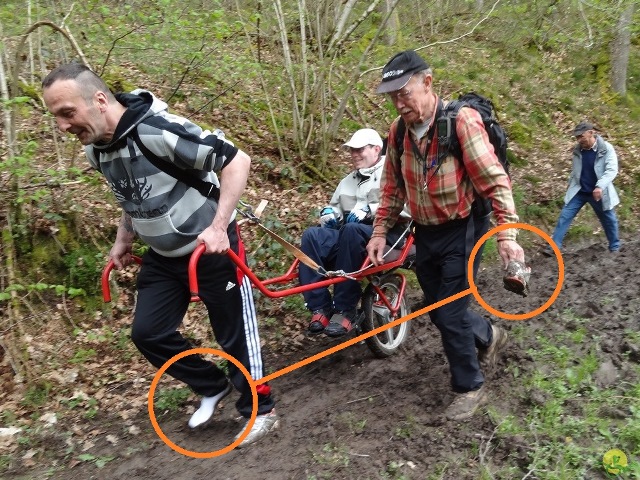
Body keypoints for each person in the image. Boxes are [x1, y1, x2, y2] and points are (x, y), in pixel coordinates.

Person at [42, 63, 277, 447]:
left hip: (211, 249)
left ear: (99, 100)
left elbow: (237, 161)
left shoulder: (159, 131)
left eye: (67, 113)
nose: (63, 127)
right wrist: (124, 239)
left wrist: (219, 226)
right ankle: (211, 385)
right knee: (148, 333)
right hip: (163, 256)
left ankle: (260, 410)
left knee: (234, 334)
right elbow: (130, 195)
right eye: (57, 118)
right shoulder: (95, 149)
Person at [367, 50, 525, 421]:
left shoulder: (462, 123)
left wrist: (507, 234)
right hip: (425, 231)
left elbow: (494, 180)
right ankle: (488, 336)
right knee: (440, 311)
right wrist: (379, 232)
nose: (398, 102)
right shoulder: (397, 131)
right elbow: (390, 187)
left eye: (404, 92)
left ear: (428, 82)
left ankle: (469, 388)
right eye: (392, 96)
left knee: (449, 313)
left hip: (464, 227)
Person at [298, 128, 410, 337]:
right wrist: (330, 214)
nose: (354, 154)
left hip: (388, 234)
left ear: (377, 149)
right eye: (352, 150)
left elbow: (409, 206)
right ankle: (320, 308)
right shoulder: (347, 181)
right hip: (352, 236)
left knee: (351, 230)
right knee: (312, 235)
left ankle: (345, 310)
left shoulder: (394, 171)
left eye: (360, 149)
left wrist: (370, 210)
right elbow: (337, 208)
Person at [544, 121, 620, 255]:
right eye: (577, 137)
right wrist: (571, 184)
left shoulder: (606, 148)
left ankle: (614, 247)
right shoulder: (578, 151)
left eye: (581, 136)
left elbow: (611, 170)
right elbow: (576, 171)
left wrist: (599, 186)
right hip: (580, 191)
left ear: (591, 133)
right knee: (565, 216)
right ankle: (554, 247)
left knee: (608, 219)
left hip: (598, 192)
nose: (579, 140)